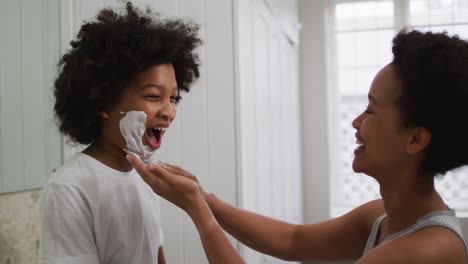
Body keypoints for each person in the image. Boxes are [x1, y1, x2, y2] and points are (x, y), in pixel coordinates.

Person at [127, 29, 468, 263]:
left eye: (371, 110)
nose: (356, 122)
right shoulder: (381, 216)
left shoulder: (429, 250)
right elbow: (292, 241)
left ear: (415, 139)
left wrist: (197, 212)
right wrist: (204, 198)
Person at [39, 3, 201, 264]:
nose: (169, 112)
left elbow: (156, 255)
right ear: (104, 101)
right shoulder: (69, 188)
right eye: (153, 96)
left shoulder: (147, 180)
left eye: (173, 98)